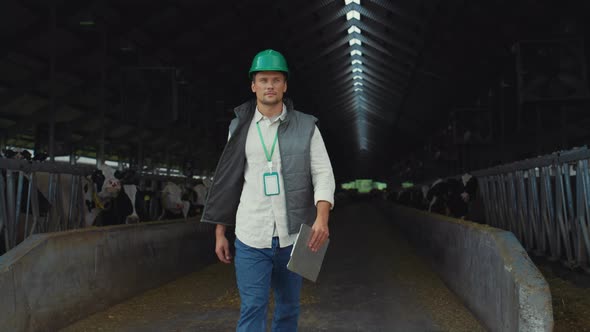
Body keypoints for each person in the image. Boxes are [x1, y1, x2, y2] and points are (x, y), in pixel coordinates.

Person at [201, 49, 335, 332]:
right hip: (251, 236)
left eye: (276, 79)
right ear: (253, 85)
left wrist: (322, 218)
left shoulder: (307, 126)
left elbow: (322, 173)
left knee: (288, 308)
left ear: (285, 85)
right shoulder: (238, 128)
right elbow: (229, 180)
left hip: (295, 237)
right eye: (263, 80)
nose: (269, 85)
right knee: (252, 307)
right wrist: (219, 231)